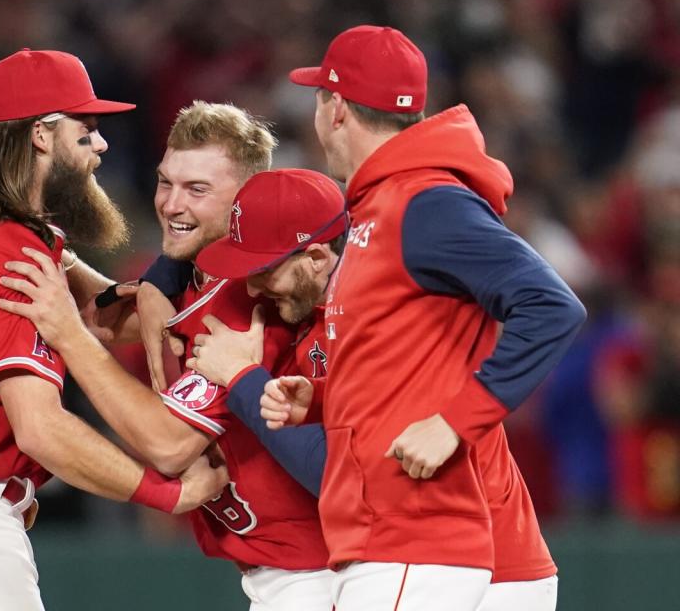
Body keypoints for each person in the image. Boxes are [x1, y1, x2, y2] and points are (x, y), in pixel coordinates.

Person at [0, 50, 228, 611]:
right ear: (43, 136)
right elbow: (40, 429)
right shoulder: (15, 251)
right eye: (88, 131)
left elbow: (104, 316)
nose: (100, 146)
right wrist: (166, 492)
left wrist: (171, 279)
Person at [254, 25, 586, 610]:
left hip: (411, 537)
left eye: (319, 96)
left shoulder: (422, 201)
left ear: (334, 110)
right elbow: (415, 354)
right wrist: (324, 395)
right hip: (445, 540)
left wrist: (456, 422)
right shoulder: (387, 204)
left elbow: (551, 304)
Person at [0, 103, 336, 611]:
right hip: (283, 574)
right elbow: (104, 315)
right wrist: (46, 245)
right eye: (165, 183)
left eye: (198, 190)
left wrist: (68, 332)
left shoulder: (255, 299)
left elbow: (169, 445)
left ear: (247, 203)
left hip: (317, 577)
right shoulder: (195, 276)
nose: (172, 205)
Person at [187, 169, 562, 610]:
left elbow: (339, 472)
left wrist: (243, 379)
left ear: (317, 259)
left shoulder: (372, 308)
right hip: (472, 561)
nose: (252, 286)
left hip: (472, 567)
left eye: (265, 269)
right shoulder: (348, 303)